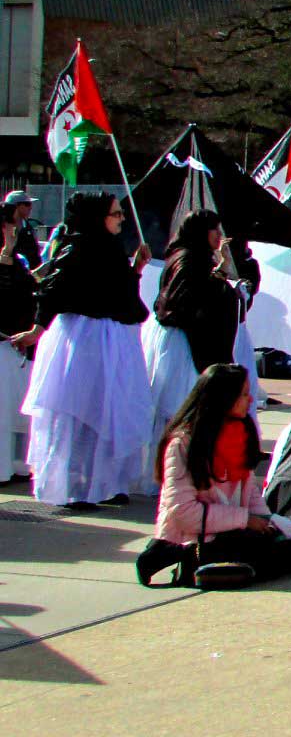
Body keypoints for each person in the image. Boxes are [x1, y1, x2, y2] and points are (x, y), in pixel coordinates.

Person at [15, 191, 150, 509]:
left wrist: (137, 268)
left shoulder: (113, 248)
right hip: (85, 338)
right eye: (115, 214)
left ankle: (108, 482)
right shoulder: (77, 248)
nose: (121, 219)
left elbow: (121, 293)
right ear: (97, 217)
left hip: (114, 338)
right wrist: (37, 329)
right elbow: (53, 290)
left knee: (113, 410)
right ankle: (74, 487)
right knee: (82, 413)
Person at [135, 364, 291, 587]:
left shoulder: (240, 433)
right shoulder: (182, 444)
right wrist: (245, 520)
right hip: (196, 539)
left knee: (288, 548)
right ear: (224, 398)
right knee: (274, 557)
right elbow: (184, 513)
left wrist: (266, 522)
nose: (250, 400)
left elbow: (250, 494)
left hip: (233, 532)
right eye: (244, 394)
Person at [142, 211, 249, 493]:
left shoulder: (194, 257)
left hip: (188, 342)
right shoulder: (188, 259)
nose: (219, 236)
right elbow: (188, 301)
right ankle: (173, 474)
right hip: (185, 346)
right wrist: (220, 280)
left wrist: (220, 270)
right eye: (214, 230)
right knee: (181, 409)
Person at [0, 206, 38, 479]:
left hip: (14, 345)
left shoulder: (16, 259)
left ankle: (17, 464)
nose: (14, 231)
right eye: (9, 226)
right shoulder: (7, 258)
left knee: (13, 410)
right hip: (5, 343)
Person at [3, 189, 42, 270]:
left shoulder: (28, 227)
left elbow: (34, 254)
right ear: (17, 206)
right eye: (27, 204)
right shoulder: (4, 227)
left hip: (27, 273)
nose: (31, 207)